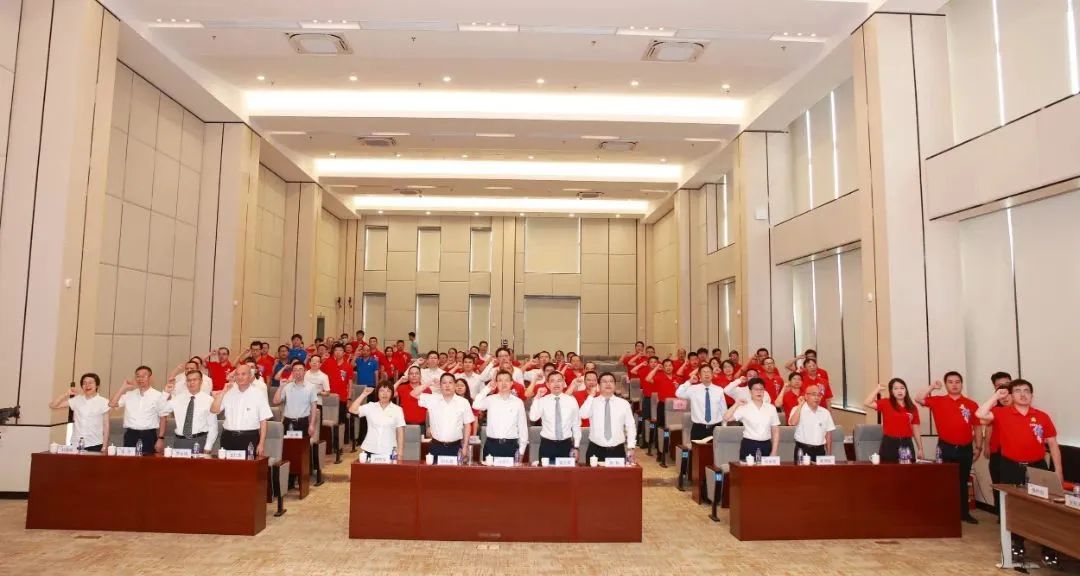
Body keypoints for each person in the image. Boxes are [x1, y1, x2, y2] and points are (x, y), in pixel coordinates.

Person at [976, 379, 1063, 566]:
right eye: (1017, 391)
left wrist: (1058, 470)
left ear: (1032, 395)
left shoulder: (1042, 416)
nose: (1022, 394)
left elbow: (1053, 444)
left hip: (1037, 466)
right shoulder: (1002, 413)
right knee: (1014, 506)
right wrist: (996, 396)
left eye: (1026, 391)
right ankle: (1017, 544)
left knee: (1044, 508)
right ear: (1011, 395)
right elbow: (980, 414)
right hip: (1011, 466)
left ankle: (1048, 548)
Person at [915, 372, 982, 524]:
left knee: (963, 481)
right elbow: (918, 398)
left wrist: (978, 447)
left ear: (962, 384)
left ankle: (964, 513)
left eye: (957, 382)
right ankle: (945, 513)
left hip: (965, 448)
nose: (954, 385)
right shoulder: (938, 400)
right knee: (945, 481)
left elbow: (977, 427)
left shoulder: (971, 404)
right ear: (946, 385)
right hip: (945, 447)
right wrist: (932, 386)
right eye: (950, 382)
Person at [211, 364, 273, 456]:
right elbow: (214, 410)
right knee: (227, 465)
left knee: (248, 465)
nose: (240, 377)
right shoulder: (228, 392)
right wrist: (223, 391)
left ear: (250, 375)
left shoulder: (258, 394)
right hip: (228, 437)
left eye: (243, 374)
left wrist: (261, 444)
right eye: (237, 374)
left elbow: (263, 421)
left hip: (249, 438)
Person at [411, 372, 475, 460]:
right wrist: (429, 383)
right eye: (444, 383)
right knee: (434, 469)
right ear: (440, 386)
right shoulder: (432, 399)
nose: (447, 385)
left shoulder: (463, 402)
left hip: (455, 447)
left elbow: (467, 425)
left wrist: (465, 446)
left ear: (455, 385)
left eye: (450, 382)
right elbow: (413, 393)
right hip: (436, 446)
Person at [109, 366, 167, 454]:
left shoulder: (158, 396)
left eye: (144, 376)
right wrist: (123, 388)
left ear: (150, 378)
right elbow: (111, 404)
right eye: (138, 376)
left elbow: (163, 418)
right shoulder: (129, 394)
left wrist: (161, 438)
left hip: (149, 435)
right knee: (128, 461)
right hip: (130, 435)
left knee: (148, 461)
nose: (140, 378)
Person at [580, 372, 636, 462]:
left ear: (615, 385)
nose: (608, 384)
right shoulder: (592, 402)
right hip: (595, 450)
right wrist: (591, 396)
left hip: (617, 450)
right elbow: (583, 415)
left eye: (611, 381)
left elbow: (630, 426)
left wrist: (631, 447)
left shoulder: (624, 403)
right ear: (598, 385)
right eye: (604, 381)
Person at [472, 370, 529, 460]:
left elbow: (523, 428)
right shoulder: (490, 399)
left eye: (506, 380)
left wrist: (521, 451)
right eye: (500, 380)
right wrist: (488, 388)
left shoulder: (518, 402)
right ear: (496, 383)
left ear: (511, 383)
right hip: (491, 445)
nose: (503, 383)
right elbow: (476, 405)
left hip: (511, 445)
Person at [864, 378, 923, 463]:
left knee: (908, 470)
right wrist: (877, 389)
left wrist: (920, 448)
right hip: (889, 443)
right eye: (896, 388)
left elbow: (915, 429)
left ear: (906, 390)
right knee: (888, 469)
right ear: (892, 392)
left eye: (902, 388)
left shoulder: (912, 407)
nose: (899, 391)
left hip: (906, 443)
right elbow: (867, 402)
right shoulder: (886, 403)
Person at [528, 372, 581, 463]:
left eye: (559, 380)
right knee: (546, 472)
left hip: (566, 445)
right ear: (548, 384)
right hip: (547, 445)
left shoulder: (571, 401)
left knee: (567, 472)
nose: (556, 384)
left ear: (564, 383)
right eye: (552, 381)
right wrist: (537, 397)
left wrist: (576, 447)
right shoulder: (543, 400)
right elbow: (533, 417)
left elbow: (576, 425)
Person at [49, 373, 110, 452]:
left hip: (95, 443)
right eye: (84, 383)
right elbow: (53, 405)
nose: (87, 385)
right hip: (76, 443)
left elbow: (106, 425)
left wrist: (104, 446)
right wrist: (66, 394)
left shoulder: (104, 402)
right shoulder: (77, 400)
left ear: (97, 385)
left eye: (90, 382)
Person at [723, 378, 780, 460]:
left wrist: (774, 451)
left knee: (766, 469)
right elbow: (726, 418)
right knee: (746, 468)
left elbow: (775, 431)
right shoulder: (744, 407)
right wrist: (736, 404)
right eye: (756, 389)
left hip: (766, 445)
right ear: (750, 391)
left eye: (761, 389)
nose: (759, 392)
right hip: (749, 444)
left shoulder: (771, 408)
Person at [162, 370, 219, 451]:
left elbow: (213, 426)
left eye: (194, 380)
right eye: (189, 380)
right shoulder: (177, 398)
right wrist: (165, 393)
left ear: (201, 381)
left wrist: (208, 447)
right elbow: (162, 410)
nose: (191, 382)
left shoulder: (209, 400)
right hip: (180, 442)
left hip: (199, 441)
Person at [349, 382, 406, 458]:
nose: (385, 394)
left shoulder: (398, 410)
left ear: (392, 394)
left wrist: (400, 453)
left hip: (390, 450)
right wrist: (363, 395)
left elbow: (400, 432)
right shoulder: (370, 406)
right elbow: (352, 410)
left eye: (388, 391)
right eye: (382, 390)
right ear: (377, 393)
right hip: (370, 449)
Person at [984, 371, 1012, 514]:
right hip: (997, 450)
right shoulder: (993, 407)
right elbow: (988, 426)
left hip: (1014, 453)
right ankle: (1001, 516)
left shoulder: (1019, 404)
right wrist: (986, 445)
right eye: (999, 385)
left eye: (1006, 384)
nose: (1003, 387)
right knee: (997, 484)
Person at [675, 364, 726, 441]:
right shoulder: (693, 389)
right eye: (704, 372)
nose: (706, 374)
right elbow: (678, 394)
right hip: (698, 428)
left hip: (716, 428)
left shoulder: (719, 390)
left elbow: (723, 410)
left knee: (716, 449)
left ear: (712, 375)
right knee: (696, 449)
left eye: (708, 372)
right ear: (699, 375)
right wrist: (689, 382)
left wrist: (724, 427)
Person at [788, 384, 835, 462]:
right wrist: (800, 405)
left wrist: (829, 454)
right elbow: (793, 422)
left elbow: (828, 435)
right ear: (806, 396)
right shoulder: (797, 409)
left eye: (819, 395)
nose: (817, 397)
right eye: (813, 394)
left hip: (820, 450)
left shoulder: (825, 412)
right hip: (803, 449)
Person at [273, 361, 318, 437]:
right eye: (295, 370)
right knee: (289, 444)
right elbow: (275, 401)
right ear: (292, 373)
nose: (298, 372)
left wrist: (312, 424)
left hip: (303, 422)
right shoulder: (287, 386)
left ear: (305, 371)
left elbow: (314, 408)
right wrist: (281, 387)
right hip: (288, 422)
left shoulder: (311, 387)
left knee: (302, 444)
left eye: (300, 369)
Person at [395, 365, 428, 436]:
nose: (414, 375)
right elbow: (389, 393)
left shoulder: (426, 389)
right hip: (404, 425)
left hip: (421, 426)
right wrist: (400, 381)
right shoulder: (402, 388)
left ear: (420, 376)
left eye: (416, 373)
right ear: (408, 376)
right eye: (411, 373)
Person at [646, 358, 677, 428]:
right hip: (663, 405)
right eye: (666, 366)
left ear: (673, 367)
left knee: (673, 426)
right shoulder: (659, 377)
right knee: (661, 426)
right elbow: (648, 378)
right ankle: (661, 435)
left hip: (675, 405)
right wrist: (656, 368)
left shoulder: (677, 378)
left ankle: (669, 435)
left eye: (670, 365)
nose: (668, 367)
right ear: (663, 368)